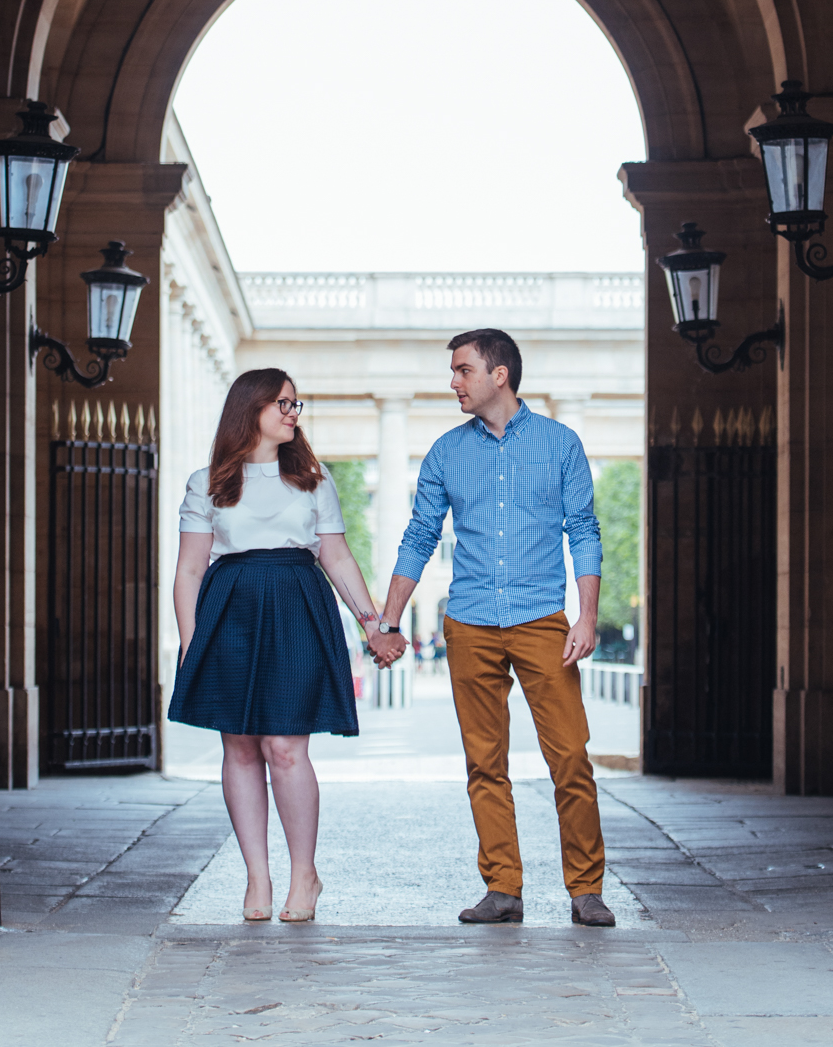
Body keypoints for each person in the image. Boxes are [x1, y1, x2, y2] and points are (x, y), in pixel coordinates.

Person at [379, 329, 615, 928]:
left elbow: (583, 531)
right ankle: (502, 887)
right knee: (485, 762)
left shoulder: (561, 445)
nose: (453, 381)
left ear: (499, 374)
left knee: (570, 759)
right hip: (470, 623)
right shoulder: (444, 454)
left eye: (462, 370)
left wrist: (586, 616)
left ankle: (586, 888)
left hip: (543, 622)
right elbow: (419, 538)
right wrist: (389, 619)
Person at [169, 368, 406, 922]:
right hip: (229, 612)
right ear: (249, 408)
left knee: (286, 747)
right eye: (283, 403)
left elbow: (338, 558)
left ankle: (306, 874)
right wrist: (189, 642)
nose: (293, 412)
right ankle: (257, 877)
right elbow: (188, 570)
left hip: (299, 606)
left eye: (297, 404)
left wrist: (373, 624)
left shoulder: (314, 482)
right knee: (240, 747)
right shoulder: (206, 483)